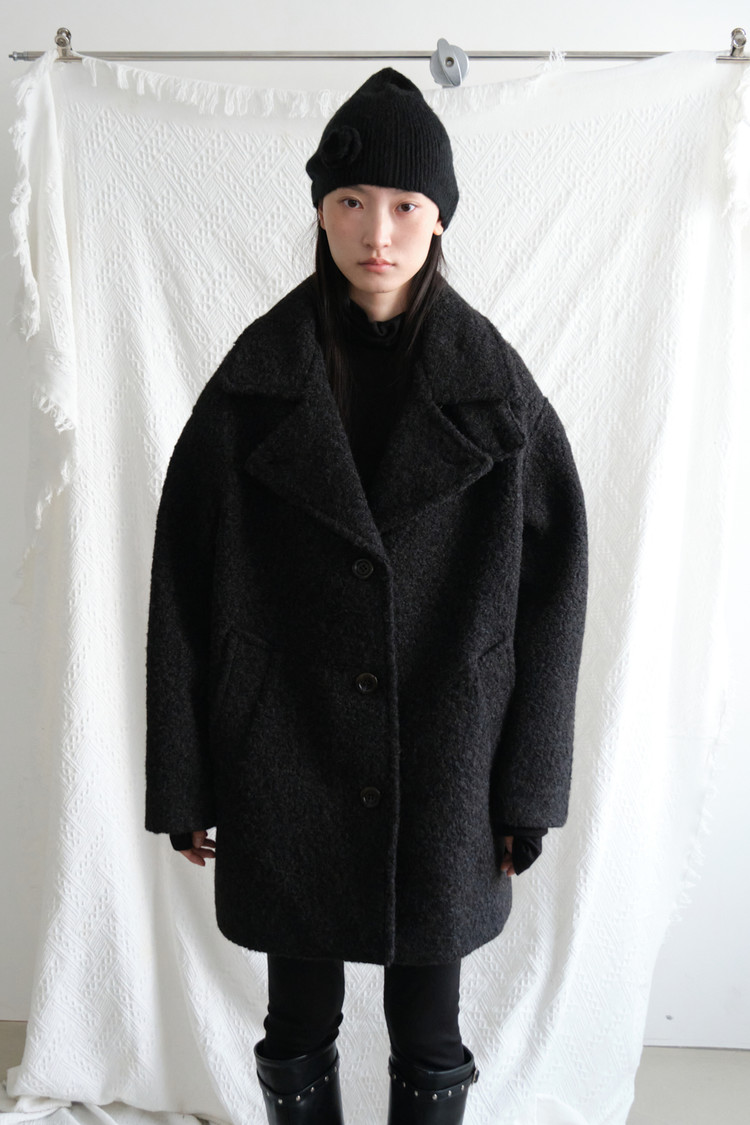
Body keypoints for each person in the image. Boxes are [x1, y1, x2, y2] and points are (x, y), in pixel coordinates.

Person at [144, 68, 588, 1125]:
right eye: (350, 200)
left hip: (447, 762)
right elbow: (181, 583)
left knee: (430, 1027)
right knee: (297, 1021)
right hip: (283, 751)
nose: (376, 232)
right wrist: (185, 775)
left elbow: (556, 597)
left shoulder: (498, 395)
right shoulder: (254, 384)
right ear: (320, 210)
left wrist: (527, 789)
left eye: (403, 204)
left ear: (440, 218)